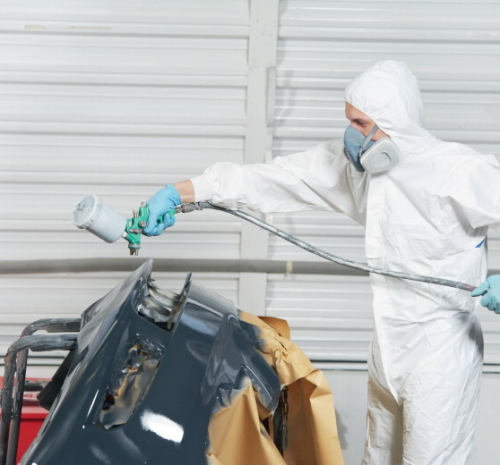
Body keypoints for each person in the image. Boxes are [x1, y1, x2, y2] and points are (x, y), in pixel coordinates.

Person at [142, 61, 500, 464]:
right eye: (350, 121)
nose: (352, 135)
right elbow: (271, 178)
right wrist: (180, 192)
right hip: (388, 347)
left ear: (394, 123)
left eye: (362, 123)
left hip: (441, 352)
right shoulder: (357, 169)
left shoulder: (457, 170)